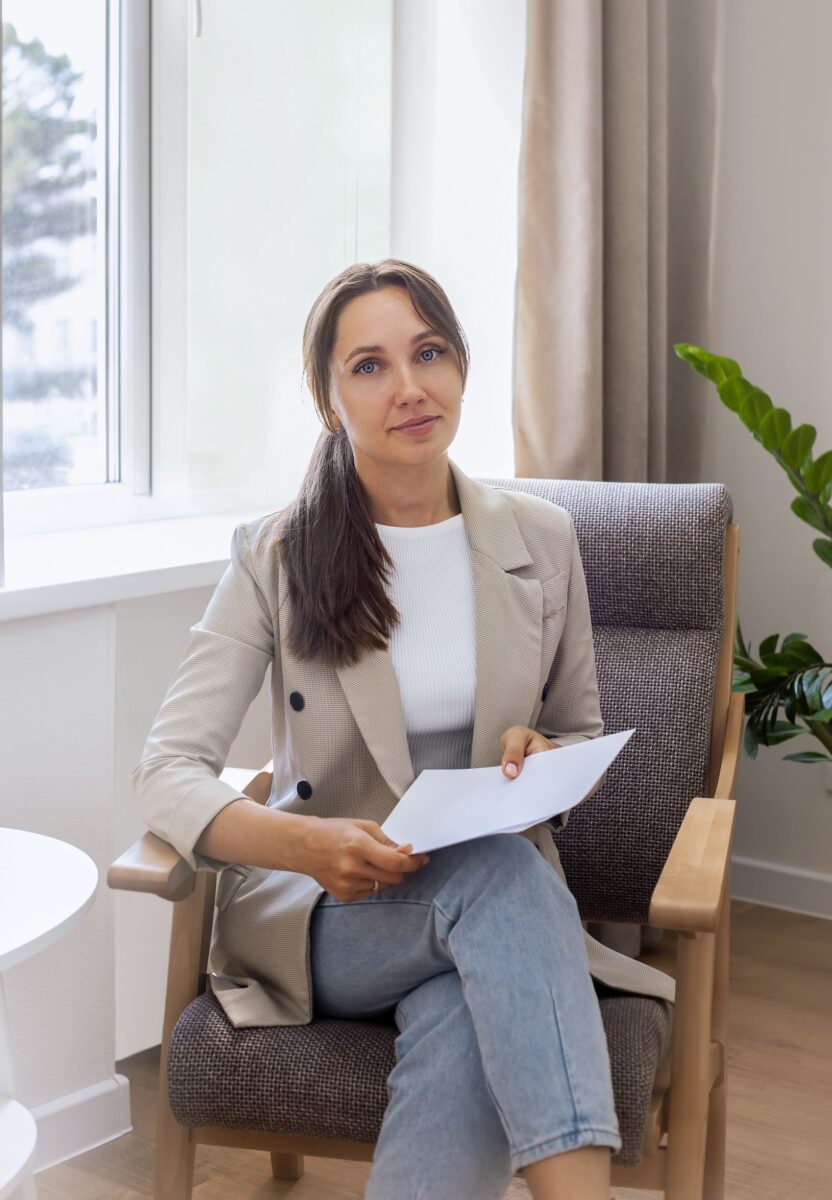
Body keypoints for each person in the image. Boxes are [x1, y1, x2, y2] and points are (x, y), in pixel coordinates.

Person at [134, 259, 674, 1200]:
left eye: (429, 353)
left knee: (471, 1014)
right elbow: (167, 771)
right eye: (370, 366)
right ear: (327, 396)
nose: (410, 387)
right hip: (329, 918)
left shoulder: (542, 540)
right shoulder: (275, 556)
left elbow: (576, 729)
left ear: (462, 365)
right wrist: (304, 845)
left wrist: (542, 754)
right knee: (503, 885)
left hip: (489, 918)